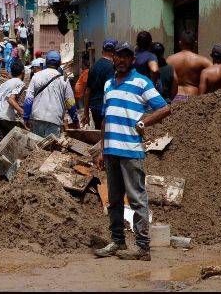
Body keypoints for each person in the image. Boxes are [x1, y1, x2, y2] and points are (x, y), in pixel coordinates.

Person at [93, 41, 171, 262]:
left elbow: (165, 108)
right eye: (119, 56)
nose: (122, 60)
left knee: (137, 200)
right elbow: (104, 120)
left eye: (127, 56)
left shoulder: (141, 82)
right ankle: (118, 241)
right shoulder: (108, 85)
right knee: (114, 200)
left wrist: (144, 123)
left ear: (132, 59)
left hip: (131, 151)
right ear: (114, 58)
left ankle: (142, 246)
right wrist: (101, 149)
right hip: (111, 152)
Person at [23, 50, 80, 138]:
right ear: (60, 63)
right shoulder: (64, 80)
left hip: (37, 117)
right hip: (54, 120)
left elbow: (28, 99)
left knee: (36, 149)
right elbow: (70, 102)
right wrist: (75, 120)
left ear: (46, 62)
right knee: (50, 150)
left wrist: (26, 117)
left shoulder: (36, 76)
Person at [166, 30, 212, 101]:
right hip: (193, 98)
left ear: (180, 42)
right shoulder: (203, 61)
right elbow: (214, 72)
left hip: (176, 97)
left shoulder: (170, 60)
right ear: (195, 43)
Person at [82, 40, 117, 129]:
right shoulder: (112, 68)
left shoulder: (93, 67)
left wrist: (86, 113)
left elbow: (87, 91)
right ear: (115, 53)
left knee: (99, 133)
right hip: (107, 108)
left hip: (95, 108)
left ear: (102, 51)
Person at [0, 61, 26, 144]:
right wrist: (22, 112)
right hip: (7, 118)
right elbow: (11, 99)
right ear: (23, 71)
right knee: (9, 145)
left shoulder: (4, 83)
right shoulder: (20, 83)